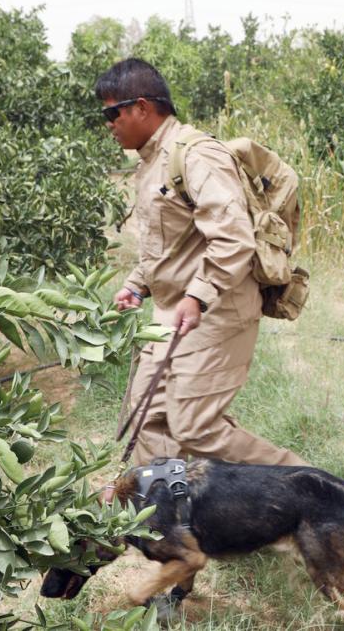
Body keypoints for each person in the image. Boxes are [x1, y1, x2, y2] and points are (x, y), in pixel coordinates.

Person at [97, 58, 306, 468]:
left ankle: (316, 492)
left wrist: (197, 296)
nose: (109, 123)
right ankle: (160, 524)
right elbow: (170, 242)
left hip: (216, 311)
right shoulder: (150, 162)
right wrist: (137, 284)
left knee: (194, 427)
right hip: (173, 314)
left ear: (141, 107)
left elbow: (233, 237)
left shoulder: (196, 155)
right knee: (148, 420)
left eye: (112, 112)